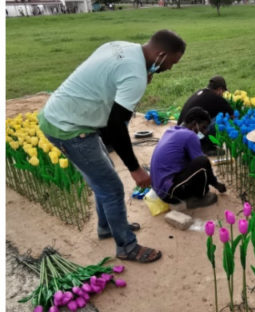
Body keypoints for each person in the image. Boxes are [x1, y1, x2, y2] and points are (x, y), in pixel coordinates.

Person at [39, 29, 187, 263]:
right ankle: (127, 247)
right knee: (112, 188)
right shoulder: (135, 75)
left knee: (103, 178)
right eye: (172, 62)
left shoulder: (122, 47)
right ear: (160, 54)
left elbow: (110, 82)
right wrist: (135, 168)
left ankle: (107, 227)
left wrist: (145, 74)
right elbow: (115, 126)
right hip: (69, 129)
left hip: (64, 115)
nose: (171, 68)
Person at [150, 107, 226, 208]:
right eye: (203, 127)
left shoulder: (172, 130)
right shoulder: (190, 135)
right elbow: (203, 164)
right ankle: (198, 198)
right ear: (195, 124)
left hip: (158, 187)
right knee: (203, 163)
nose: (206, 131)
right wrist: (216, 184)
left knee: (197, 162)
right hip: (169, 194)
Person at [177, 75, 233, 154]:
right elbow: (232, 115)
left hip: (180, 129)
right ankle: (206, 147)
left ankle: (204, 142)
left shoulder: (201, 92)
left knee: (208, 119)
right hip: (192, 135)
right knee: (222, 119)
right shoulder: (217, 98)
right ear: (220, 90)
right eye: (223, 92)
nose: (223, 94)